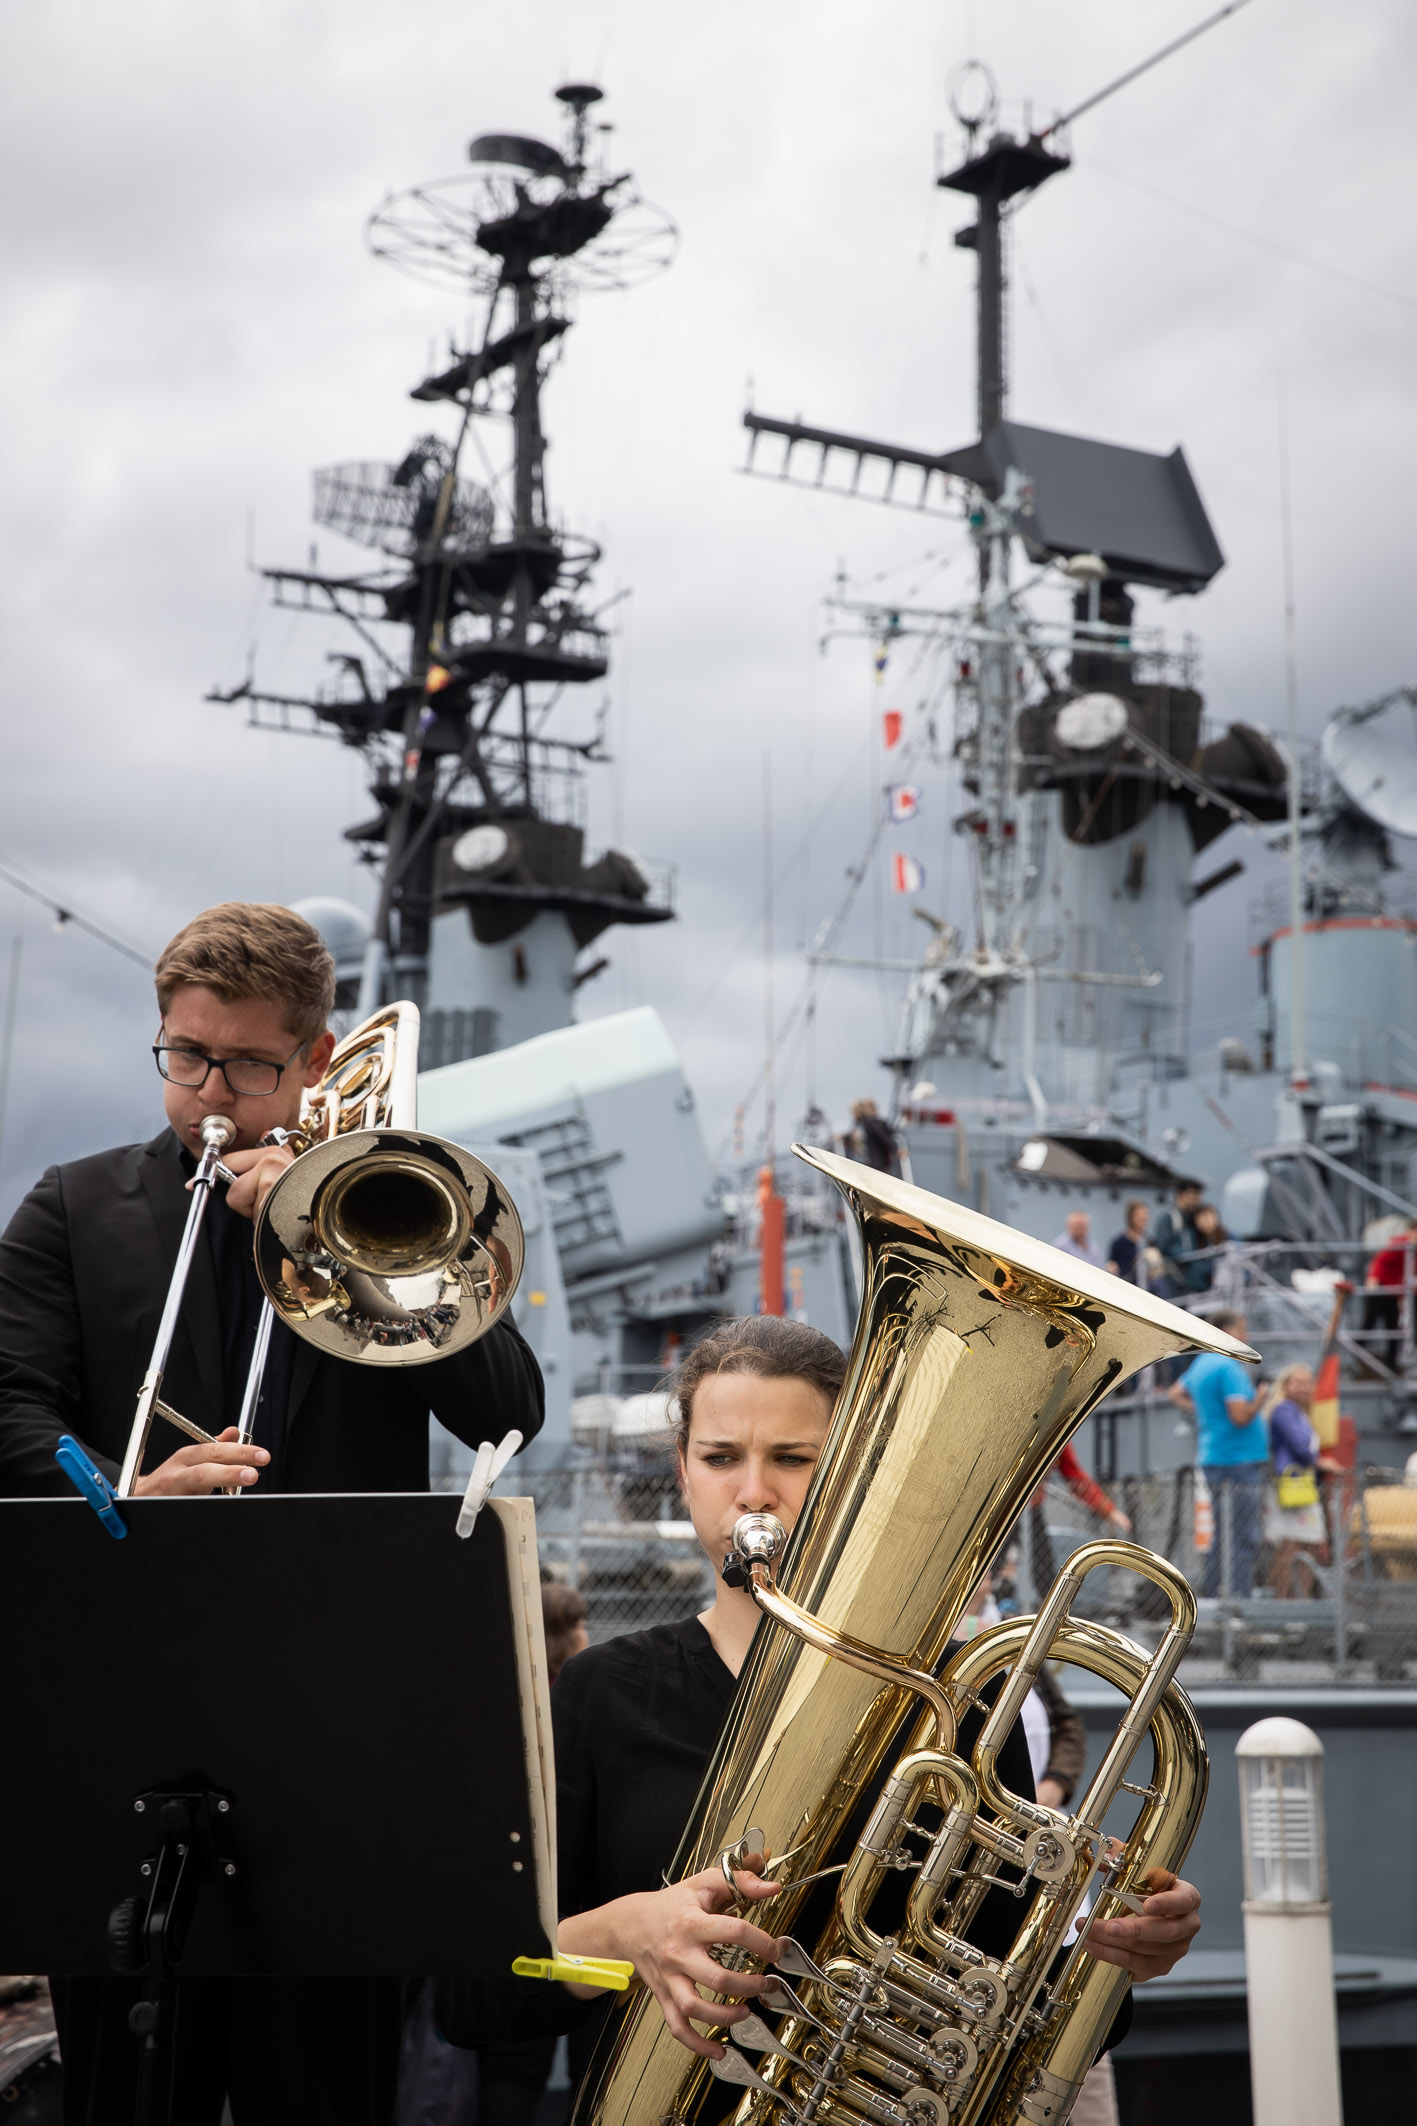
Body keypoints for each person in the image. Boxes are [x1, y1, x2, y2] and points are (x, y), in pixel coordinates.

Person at [0, 903, 545, 2126]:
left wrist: (335, 1235)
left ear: (315, 1059)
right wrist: (121, 1490)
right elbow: (8, 1408)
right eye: (183, 1056)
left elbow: (511, 1404)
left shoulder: (380, 1207)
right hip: (125, 1725)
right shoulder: (72, 1209)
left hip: (339, 1742)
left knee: (328, 2091)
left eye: (244, 1065)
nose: (206, 1095)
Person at [438, 1316, 1203, 2094]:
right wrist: (616, 1933)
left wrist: (1112, 1957)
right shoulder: (602, 1691)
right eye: (719, 1457)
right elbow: (470, 2000)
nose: (752, 1492)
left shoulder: (959, 1697)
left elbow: (1020, 2008)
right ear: (682, 1470)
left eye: (793, 1460)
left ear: (851, 1471)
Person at [1166, 1309, 1266, 1598]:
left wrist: (1204, 1412)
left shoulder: (1201, 1364)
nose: (1246, 1336)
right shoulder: (1229, 1367)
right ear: (1228, 1331)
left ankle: (1214, 1594)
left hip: (1213, 1457)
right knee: (1243, 1536)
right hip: (1238, 1461)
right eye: (1242, 1329)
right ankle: (1239, 1599)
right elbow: (1239, 1416)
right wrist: (1259, 1400)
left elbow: (1175, 1393)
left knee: (1222, 1534)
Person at [1262, 1365, 1335, 1599]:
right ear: (1285, 1385)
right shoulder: (1283, 1410)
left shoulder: (1299, 1412)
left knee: (1308, 1546)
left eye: (1308, 1382)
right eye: (1298, 1382)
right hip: (1291, 1486)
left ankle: (1299, 1600)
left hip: (1303, 1486)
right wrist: (1321, 1463)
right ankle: (1282, 1601)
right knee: (1291, 1547)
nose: (1304, 1388)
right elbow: (1300, 1447)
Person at [1152, 1183, 1202, 1295]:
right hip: (1175, 1280)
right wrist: (1186, 1256)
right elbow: (1163, 1246)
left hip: (1192, 1283)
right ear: (1180, 1195)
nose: (1196, 1200)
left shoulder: (1193, 1219)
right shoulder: (1168, 1218)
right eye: (1192, 1195)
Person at [847, 1097, 900, 1176]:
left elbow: (883, 1137)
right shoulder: (863, 1123)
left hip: (875, 1164)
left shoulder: (870, 1123)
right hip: (869, 1163)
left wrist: (896, 1149)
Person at [1105, 1201, 1151, 1285]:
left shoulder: (1150, 1242)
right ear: (1131, 1218)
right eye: (1139, 1215)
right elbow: (1112, 1267)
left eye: (1145, 1215)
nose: (1144, 1218)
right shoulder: (1118, 1243)